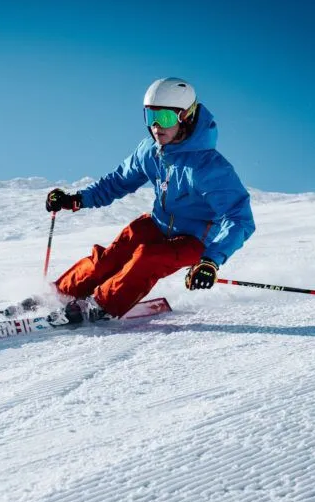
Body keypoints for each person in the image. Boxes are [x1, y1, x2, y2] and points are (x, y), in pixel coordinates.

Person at [45, 77, 255, 323]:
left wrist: (211, 260)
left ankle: (99, 306)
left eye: (164, 117)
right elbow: (117, 182)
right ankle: (58, 294)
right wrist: (76, 199)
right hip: (157, 224)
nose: (156, 126)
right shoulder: (150, 151)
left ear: (185, 116)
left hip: (195, 240)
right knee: (112, 255)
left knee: (148, 258)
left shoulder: (209, 167)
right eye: (149, 116)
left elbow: (239, 218)